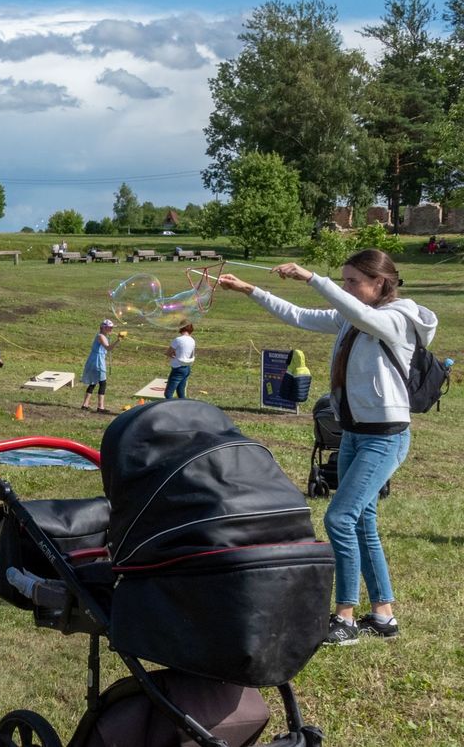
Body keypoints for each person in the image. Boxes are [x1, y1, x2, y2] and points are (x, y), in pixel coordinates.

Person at [219, 251, 437, 645]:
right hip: (353, 432)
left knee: (340, 518)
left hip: (384, 436)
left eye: (353, 281)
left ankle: (346, 618)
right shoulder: (353, 318)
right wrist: (250, 289)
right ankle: (383, 616)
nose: (346, 287)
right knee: (362, 522)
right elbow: (300, 316)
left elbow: (362, 315)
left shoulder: (397, 319)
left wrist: (312, 278)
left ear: (380, 283)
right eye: (343, 280)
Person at [80, 319, 124, 413]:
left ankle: (85, 405)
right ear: (103, 328)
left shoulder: (102, 336)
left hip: (95, 360)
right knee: (102, 383)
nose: (111, 329)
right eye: (109, 327)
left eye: (112, 328)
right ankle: (100, 407)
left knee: (93, 382)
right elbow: (108, 348)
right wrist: (118, 340)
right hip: (97, 361)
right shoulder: (101, 336)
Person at [164, 323, 196, 399]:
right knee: (181, 393)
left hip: (178, 368)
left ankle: (170, 406)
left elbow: (168, 352)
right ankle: (183, 405)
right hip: (187, 368)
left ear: (181, 328)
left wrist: (170, 354)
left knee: (168, 394)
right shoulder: (192, 340)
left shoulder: (178, 340)